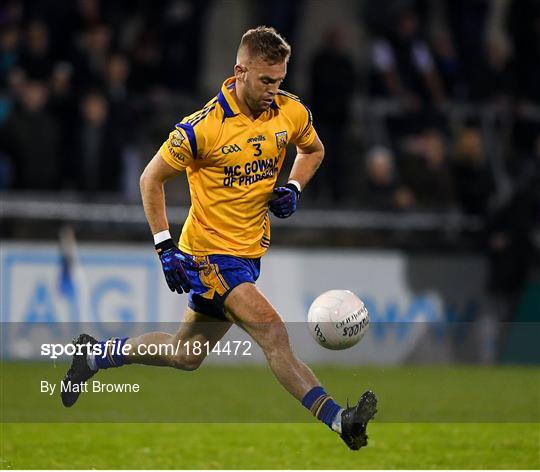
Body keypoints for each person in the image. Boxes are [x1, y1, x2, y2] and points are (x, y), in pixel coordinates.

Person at [60, 26, 377, 450]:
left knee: (185, 355)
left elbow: (313, 150)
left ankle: (95, 355)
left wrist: (294, 188)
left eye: (280, 80)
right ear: (239, 71)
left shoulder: (290, 112)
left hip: (247, 255)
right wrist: (164, 246)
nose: (273, 89)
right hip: (208, 255)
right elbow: (149, 178)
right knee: (274, 333)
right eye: (266, 80)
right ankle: (341, 420)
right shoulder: (202, 128)